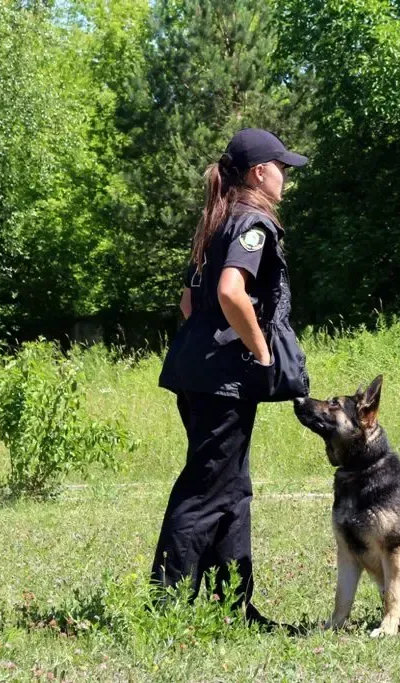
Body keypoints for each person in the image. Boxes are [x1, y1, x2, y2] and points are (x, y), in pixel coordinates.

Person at [153, 128, 311, 627]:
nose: (285, 175)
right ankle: (166, 611)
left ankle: (233, 608)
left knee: (232, 489)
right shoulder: (252, 224)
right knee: (205, 491)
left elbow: (187, 303)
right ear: (259, 172)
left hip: (198, 374)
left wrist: (209, 349)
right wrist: (261, 352)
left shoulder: (215, 222)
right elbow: (229, 292)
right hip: (223, 381)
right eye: (281, 166)